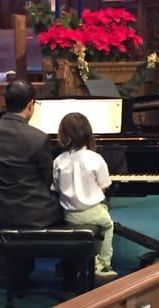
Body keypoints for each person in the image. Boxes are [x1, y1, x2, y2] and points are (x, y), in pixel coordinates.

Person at [0, 79, 62, 231]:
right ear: (30, 105)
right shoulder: (39, 138)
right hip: (38, 216)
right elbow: (48, 180)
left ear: (6, 102)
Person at [52, 112, 118, 280]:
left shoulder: (58, 160)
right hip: (93, 211)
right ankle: (102, 263)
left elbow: (57, 188)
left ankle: (73, 263)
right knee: (108, 225)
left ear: (62, 135)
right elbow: (104, 186)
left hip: (70, 216)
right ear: (88, 133)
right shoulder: (96, 158)